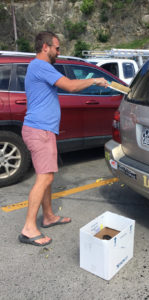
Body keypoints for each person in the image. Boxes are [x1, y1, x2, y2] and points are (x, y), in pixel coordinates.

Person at [18, 31, 109, 247]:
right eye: (57, 48)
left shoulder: (37, 66)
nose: (59, 52)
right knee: (46, 179)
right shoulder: (41, 65)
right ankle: (29, 228)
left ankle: (48, 216)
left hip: (41, 130)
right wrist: (95, 79)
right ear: (45, 47)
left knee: (45, 175)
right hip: (40, 131)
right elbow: (69, 86)